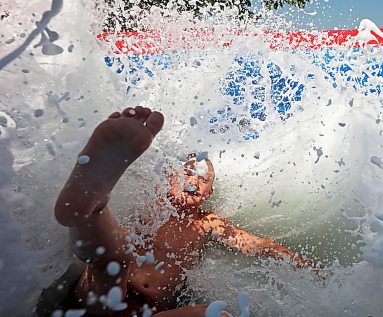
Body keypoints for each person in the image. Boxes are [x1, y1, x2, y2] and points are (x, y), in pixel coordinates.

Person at [51, 106, 315, 317]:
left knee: (216, 315)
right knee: (114, 261)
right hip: (100, 297)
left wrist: (300, 262)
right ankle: (92, 204)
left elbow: (257, 246)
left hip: (151, 311)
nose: (193, 182)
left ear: (208, 194)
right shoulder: (153, 204)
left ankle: (92, 205)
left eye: (203, 180)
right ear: (170, 179)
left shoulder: (207, 223)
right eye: (188, 173)